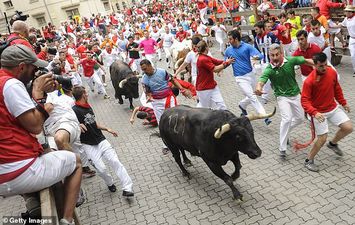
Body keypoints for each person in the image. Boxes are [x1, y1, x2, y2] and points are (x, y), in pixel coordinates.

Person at [0, 44, 82, 225]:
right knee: (75, 162)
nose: (35, 71)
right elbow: (35, 126)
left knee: (51, 154)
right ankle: (66, 220)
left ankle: (32, 201)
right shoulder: (11, 84)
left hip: (4, 170)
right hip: (17, 170)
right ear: (21, 67)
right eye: (33, 67)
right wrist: (38, 92)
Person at [72, 86, 134, 197]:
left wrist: (107, 129)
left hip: (101, 140)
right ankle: (109, 183)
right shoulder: (74, 111)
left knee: (115, 161)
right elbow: (70, 124)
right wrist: (76, 125)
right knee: (101, 169)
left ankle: (127, 188)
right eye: (86, 93)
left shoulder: (88, 106)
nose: (87, 95)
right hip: (88, 145)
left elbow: (92, 123)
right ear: (83, 95)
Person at [255, 43, 314, 158]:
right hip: (282, 96)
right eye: (272, 55)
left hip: (296, 94)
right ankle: (282, 149)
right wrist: (258, 88)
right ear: (269, 56)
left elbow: (306, 61)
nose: (275, 57)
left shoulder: (290, 60)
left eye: (277, 54)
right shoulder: (269, 69)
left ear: (281, 54)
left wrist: (320, 65)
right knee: (286, 118)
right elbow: (262, 80)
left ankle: (285, 133)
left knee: (300, 119)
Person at [301, 53, 352, 172]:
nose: (324, 68)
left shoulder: (331, 72)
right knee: (322, 138)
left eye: (325, 65)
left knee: (348, 127)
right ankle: (309, 160)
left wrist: (343, 103)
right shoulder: (309, 81)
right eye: (321, 66)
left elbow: (336, 89)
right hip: (319, 113)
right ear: (314, 65)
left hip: (332, 108)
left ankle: (333, 144)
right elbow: (304, 100)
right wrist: (314, 112)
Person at [140, 59, 191, 154]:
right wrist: (149, 97)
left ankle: (182, 139)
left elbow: (173, 80)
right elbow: (147, 91)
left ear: (150, 65)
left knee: (176, 118)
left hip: (168, 98)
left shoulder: (162, 72)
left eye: (146, 69)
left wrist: (182, 89)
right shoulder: (144, 79)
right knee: (161, 123)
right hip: (156, 102)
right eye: (143, 70)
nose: (145, 71)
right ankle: (165, 145)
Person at [224, 29, 271, 125]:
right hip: (240, 78)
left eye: (230, 39)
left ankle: (242, 105)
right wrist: (226, 63)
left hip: (250, 75)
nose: (228, 41)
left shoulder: (247, 47)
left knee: (255, 94)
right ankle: (264, 116)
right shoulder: (228, 50)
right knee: (252, 96)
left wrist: (257, 57)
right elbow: (224, 62)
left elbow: (260, 55)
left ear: (236, 39)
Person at [196, 40, 234, 110]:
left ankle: (223, 118)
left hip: (212, 86)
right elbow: (215, 69)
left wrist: (229, 60)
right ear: (206, 48)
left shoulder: (206, 57)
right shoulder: (202, 59)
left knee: (222, 106)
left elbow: (217, 62)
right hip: (204, 89)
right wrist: (227, 63)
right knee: (205, 110)